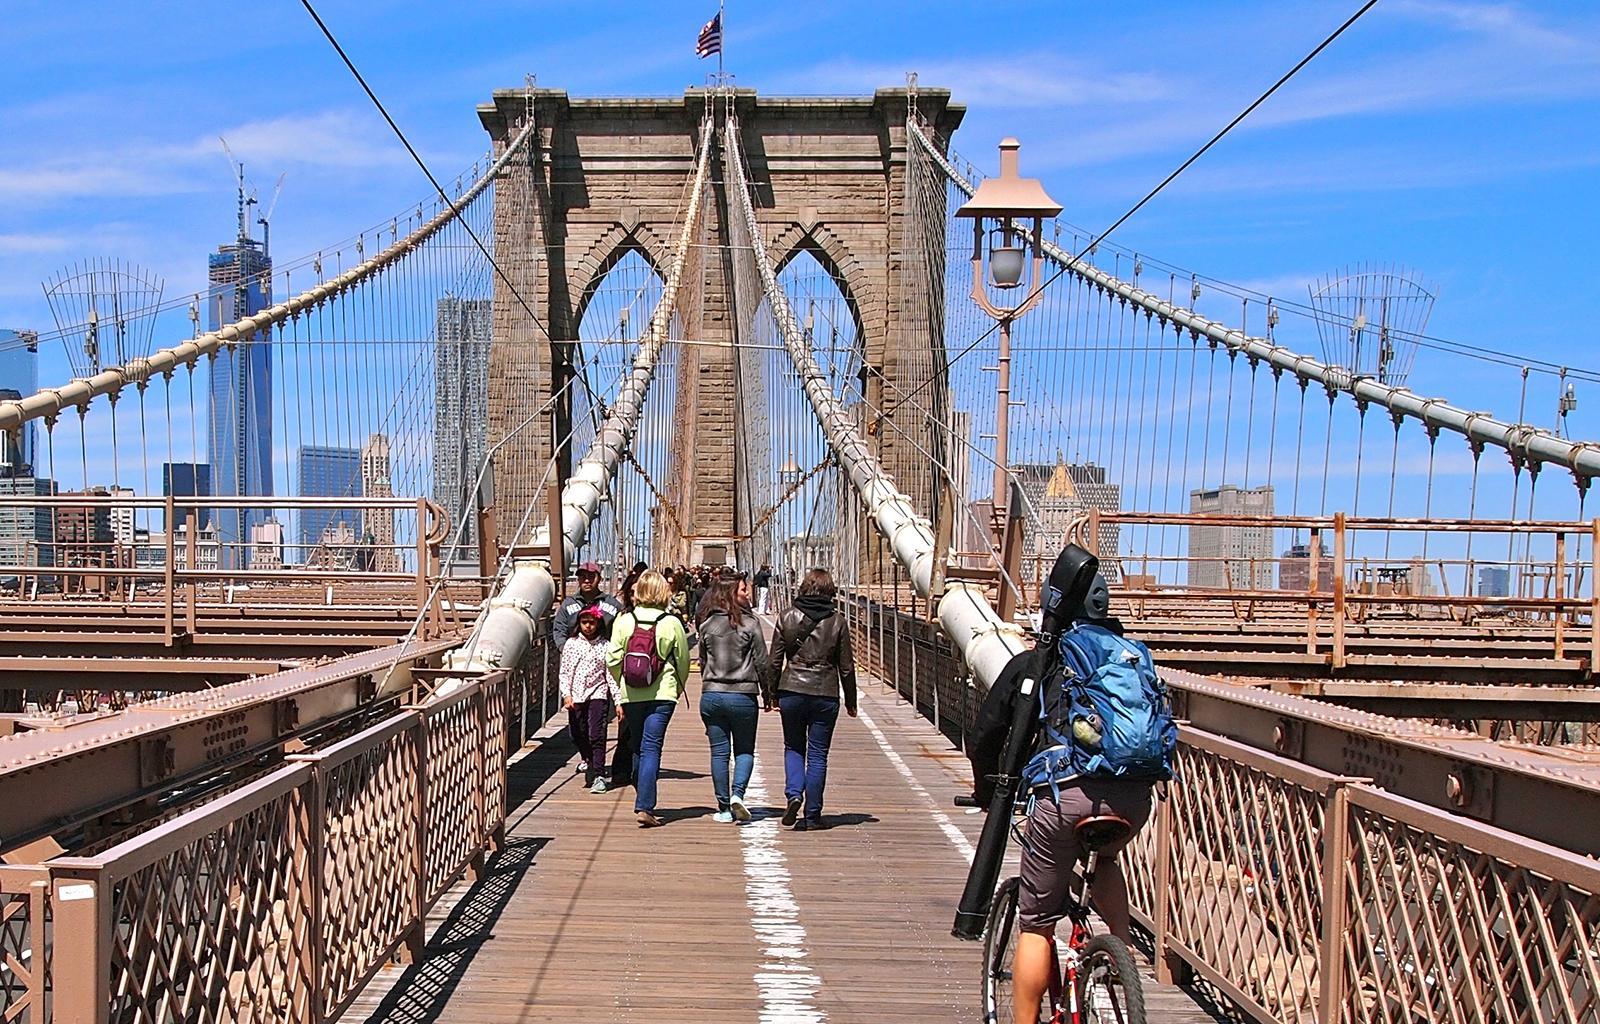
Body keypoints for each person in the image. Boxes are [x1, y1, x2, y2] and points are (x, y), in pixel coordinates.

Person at [966, 545, 1159, 1024]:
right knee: (1106, 854)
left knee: (1035, 921)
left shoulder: (1040, 662)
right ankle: (1119, 955)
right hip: (1135, 797)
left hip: (1064, 796)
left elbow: (986, 732)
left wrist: (985, 789)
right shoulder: (1133, 657)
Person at [767, 567, 857, 831]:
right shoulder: (837, 622)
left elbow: (774, 661)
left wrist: (771, 694)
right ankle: (813, 814)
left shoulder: (787, 617)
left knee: (794, 747)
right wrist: (851, 700)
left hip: (792, 690)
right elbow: (847, 668)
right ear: (830, 591)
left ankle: (794, 794)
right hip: (825, 693)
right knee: (818, 754)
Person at [606, 569, 691, 828]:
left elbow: (611, 660)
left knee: (639, 745)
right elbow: (684, 661)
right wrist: (677, 687)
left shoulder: (624, 620)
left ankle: (642, 796)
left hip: (632, 694)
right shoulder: (672, 622)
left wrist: (624, 682)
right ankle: (644, 805)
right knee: (652, 746)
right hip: (662, 693)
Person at [697, 578, 768, 823]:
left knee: (718, 753)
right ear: (731, 593)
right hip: (743, 695)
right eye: (743, 588)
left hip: (712, 696)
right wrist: (769, 695)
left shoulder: (706, 625)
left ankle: (724, 809)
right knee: (745, 750)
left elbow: (703, 661)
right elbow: (762, 662)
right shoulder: (750, 624)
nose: (748, 592)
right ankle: (738, 794)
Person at [559, 605, 618, 792]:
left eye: (592, 623)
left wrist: (617, 700)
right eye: (584, 622)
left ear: (598, 624)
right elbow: (565, 672)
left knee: (596, 734)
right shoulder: (571, 644)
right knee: (576, 733)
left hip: (598, 693)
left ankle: (599, 774)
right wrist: (566, 694)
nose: (588, 626)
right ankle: (588, 759)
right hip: (576, 695)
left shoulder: (605, 646)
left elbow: (610, 675)